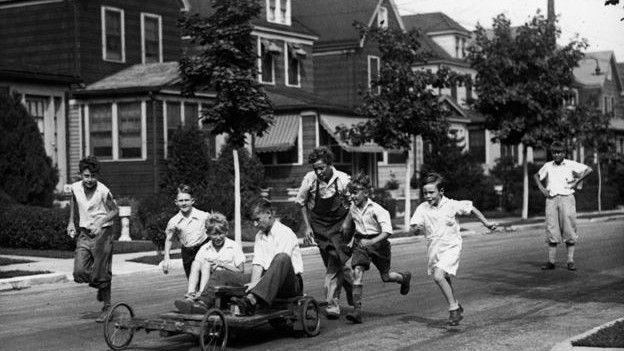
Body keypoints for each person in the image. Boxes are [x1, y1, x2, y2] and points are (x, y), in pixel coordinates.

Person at [409, 172, 496, 326]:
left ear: (441, 191)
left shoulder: (451, 205)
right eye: (425, 193)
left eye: (431, 192)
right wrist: (417, 228)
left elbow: (472, 208)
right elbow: (414, 228)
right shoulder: (422, 208)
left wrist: (486, 223)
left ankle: (453, 309)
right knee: (444, 278)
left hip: (451, 247)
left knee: (438, 276)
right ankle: (456, 304)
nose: (428, 196)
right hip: (434, 249)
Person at [342, 172, 412, 324]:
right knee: (357, 272)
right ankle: (357, 311)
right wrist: (351, 237)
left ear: (366, 192)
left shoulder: (377, 210)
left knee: (386, 277)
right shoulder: (353, 207)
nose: (352, 196)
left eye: (355, 193)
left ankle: (404, 278)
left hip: (379, 245)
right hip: (361, 243)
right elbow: (358, 225)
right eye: (351, 193)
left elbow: (387, 232)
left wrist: (372, 241)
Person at [296, 146, 353, 319]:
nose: (319, 172)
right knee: (338, 265)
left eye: (322, 168)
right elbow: (301, 203)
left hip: (340, 226)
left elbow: (354, 204)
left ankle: (332, 304)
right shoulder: (310, 179)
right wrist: (307, 227)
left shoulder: (343, 179)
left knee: (334, 265)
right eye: (316, 169)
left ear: (330, 164)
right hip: (320, 226)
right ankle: (351, 291)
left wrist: (347, 223)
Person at [66, 155, 119, 323]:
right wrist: (71, 223)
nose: (90, 180)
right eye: (86, 176)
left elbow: (114, 211)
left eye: (93, 176)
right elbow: (74, 203)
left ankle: (107, 307)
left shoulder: (103, 190)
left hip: (103, 233)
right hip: (84, 233)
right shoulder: (75, 187)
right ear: (81, 175)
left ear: (98, 176)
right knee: (79, 272)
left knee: (101, 272)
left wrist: (101, 221)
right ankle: (99, 281)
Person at [231, 199, 304, 315]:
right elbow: (258, 263)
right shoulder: (259, 236)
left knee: (281, 257)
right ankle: (202, 303)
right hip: (266, 279)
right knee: (222, 275)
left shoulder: (284, 232)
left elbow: (281, 266)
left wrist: (257, 285)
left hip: (289, 283)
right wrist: (253, 285)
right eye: (253, 221)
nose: (255, 224)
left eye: (257, 220)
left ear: (269, 214)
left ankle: (253, 300)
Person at [533, 141, 592, 271]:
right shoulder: (548, 165)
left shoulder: (571, 164)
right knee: (551, 229)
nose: (557, 155)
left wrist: (577, 181)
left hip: (567, 198)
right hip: (552, 199)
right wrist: (542, 188)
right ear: (551, 153)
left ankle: (570, 261)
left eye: (559, 152)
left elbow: (588, 169)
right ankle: (551, 261)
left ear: (564, 153)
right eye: (554, 152)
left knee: (569, 228)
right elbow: (536, 176)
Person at [174, 212, 246, 314]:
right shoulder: (205, 248)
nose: (218, 237)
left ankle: (202, 300)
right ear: (208, 234)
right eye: (214, 234)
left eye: (221, 233)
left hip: (229, 282)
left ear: (226, 232)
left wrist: (222, 264)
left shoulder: (233, 246)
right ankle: (191, 295)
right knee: (198, 263)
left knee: (215, 269)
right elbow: (197, 265)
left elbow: (241, 271)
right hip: (211, 285)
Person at [162, 184, 209, 278]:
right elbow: (169, 239)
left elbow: (216, 231)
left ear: (192, 201)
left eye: (187, 200)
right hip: (188, 253)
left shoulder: (204, 216)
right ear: (176, 202)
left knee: (206, 281)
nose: (184, 203)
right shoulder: (174, 222)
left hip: (203, 249)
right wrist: (166, 258)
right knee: (192, 280)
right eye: (181, 200)